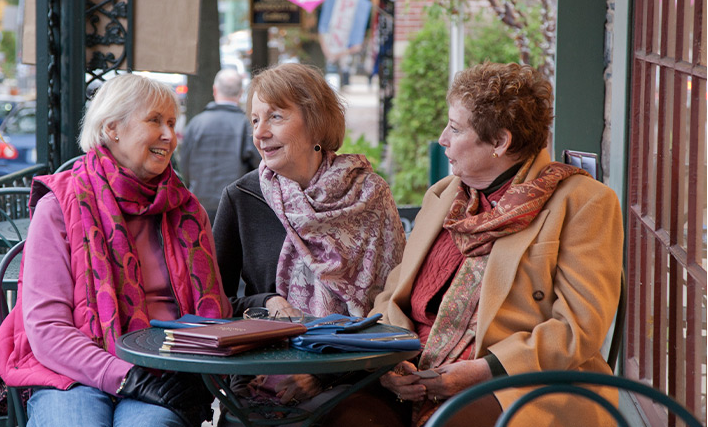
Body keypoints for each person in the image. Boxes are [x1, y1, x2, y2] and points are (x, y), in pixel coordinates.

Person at [369, 62, 623, 427]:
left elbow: (578, 328)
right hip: (415, 373)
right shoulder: (445, 196)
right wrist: (393, 361)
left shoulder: (582, 202)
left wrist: (484, 370)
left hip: (520, 386)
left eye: (455, 129)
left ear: (500, 143)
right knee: (339, 415)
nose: (442, 138)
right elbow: (392, 295)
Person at [0, 73, 232, 427]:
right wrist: (126, 376)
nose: (170, 136)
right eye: (155, 121)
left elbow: (215, 313)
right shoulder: (61, 205)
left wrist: (190, 376)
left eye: (172, 123)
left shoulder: (187, 210)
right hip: (71, 372)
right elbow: (47, 330)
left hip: (163, 373)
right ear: (112, 128)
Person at [213, 62, 406, 416]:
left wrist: (321, 374)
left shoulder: (369, 195)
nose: (260, 133)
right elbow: (212, 305)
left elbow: (393, 303)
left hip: (358, 372)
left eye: (275, 117)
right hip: (262, 369)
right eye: (255, 120)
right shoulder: (242, 198)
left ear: (315, 121)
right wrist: (265, 300)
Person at [179, 68, 260, 223]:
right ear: (241, 92)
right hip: (235, 205)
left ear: (215, 90)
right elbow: (257, 166)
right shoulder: (246, 125)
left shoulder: (196, 123)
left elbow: (185, 166)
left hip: (199, 204)